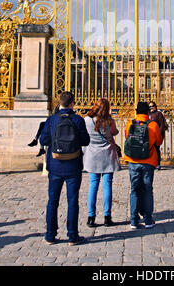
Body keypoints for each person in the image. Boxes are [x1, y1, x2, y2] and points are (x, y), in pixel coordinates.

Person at [39, 91, 90, 246]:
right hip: (73, 165)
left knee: (52, 201)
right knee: (72, 201)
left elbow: (44, 139)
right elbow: (85, 141)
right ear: (72, 103)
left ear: (59, 103)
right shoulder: (78, 119)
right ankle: (73, 236)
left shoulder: (52, 120)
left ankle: (50, 235)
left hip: (55, 165)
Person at [124, 102, 163, 229]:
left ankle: (134, 220)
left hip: (133, 160)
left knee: (134, 190)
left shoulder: (130, 123)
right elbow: (159, 141)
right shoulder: (152, 125)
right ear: (148, 112)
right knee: (147, 189)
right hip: (148, 161)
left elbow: (127, 137)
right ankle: (147, 220)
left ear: (136, 111)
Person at [83, 99, 121, 228]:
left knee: (93, 186)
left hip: (92, 156)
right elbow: (115, 132)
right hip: (107, 156)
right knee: (107, 186)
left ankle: (91, 217)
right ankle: (107, 217)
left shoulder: (87, 120)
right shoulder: (109, 121)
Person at [148, 101, 168, 170]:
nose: (151, 107)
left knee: (156, 149)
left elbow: (162, 125)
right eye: (149, 106)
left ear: (155, 106)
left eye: (152, 106)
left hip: (157, 135)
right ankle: (151, 163)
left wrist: (158, 134)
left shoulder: (159, 114)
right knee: (150, 149)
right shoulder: (148, 114)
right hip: (150, 135)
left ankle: (158, 164)